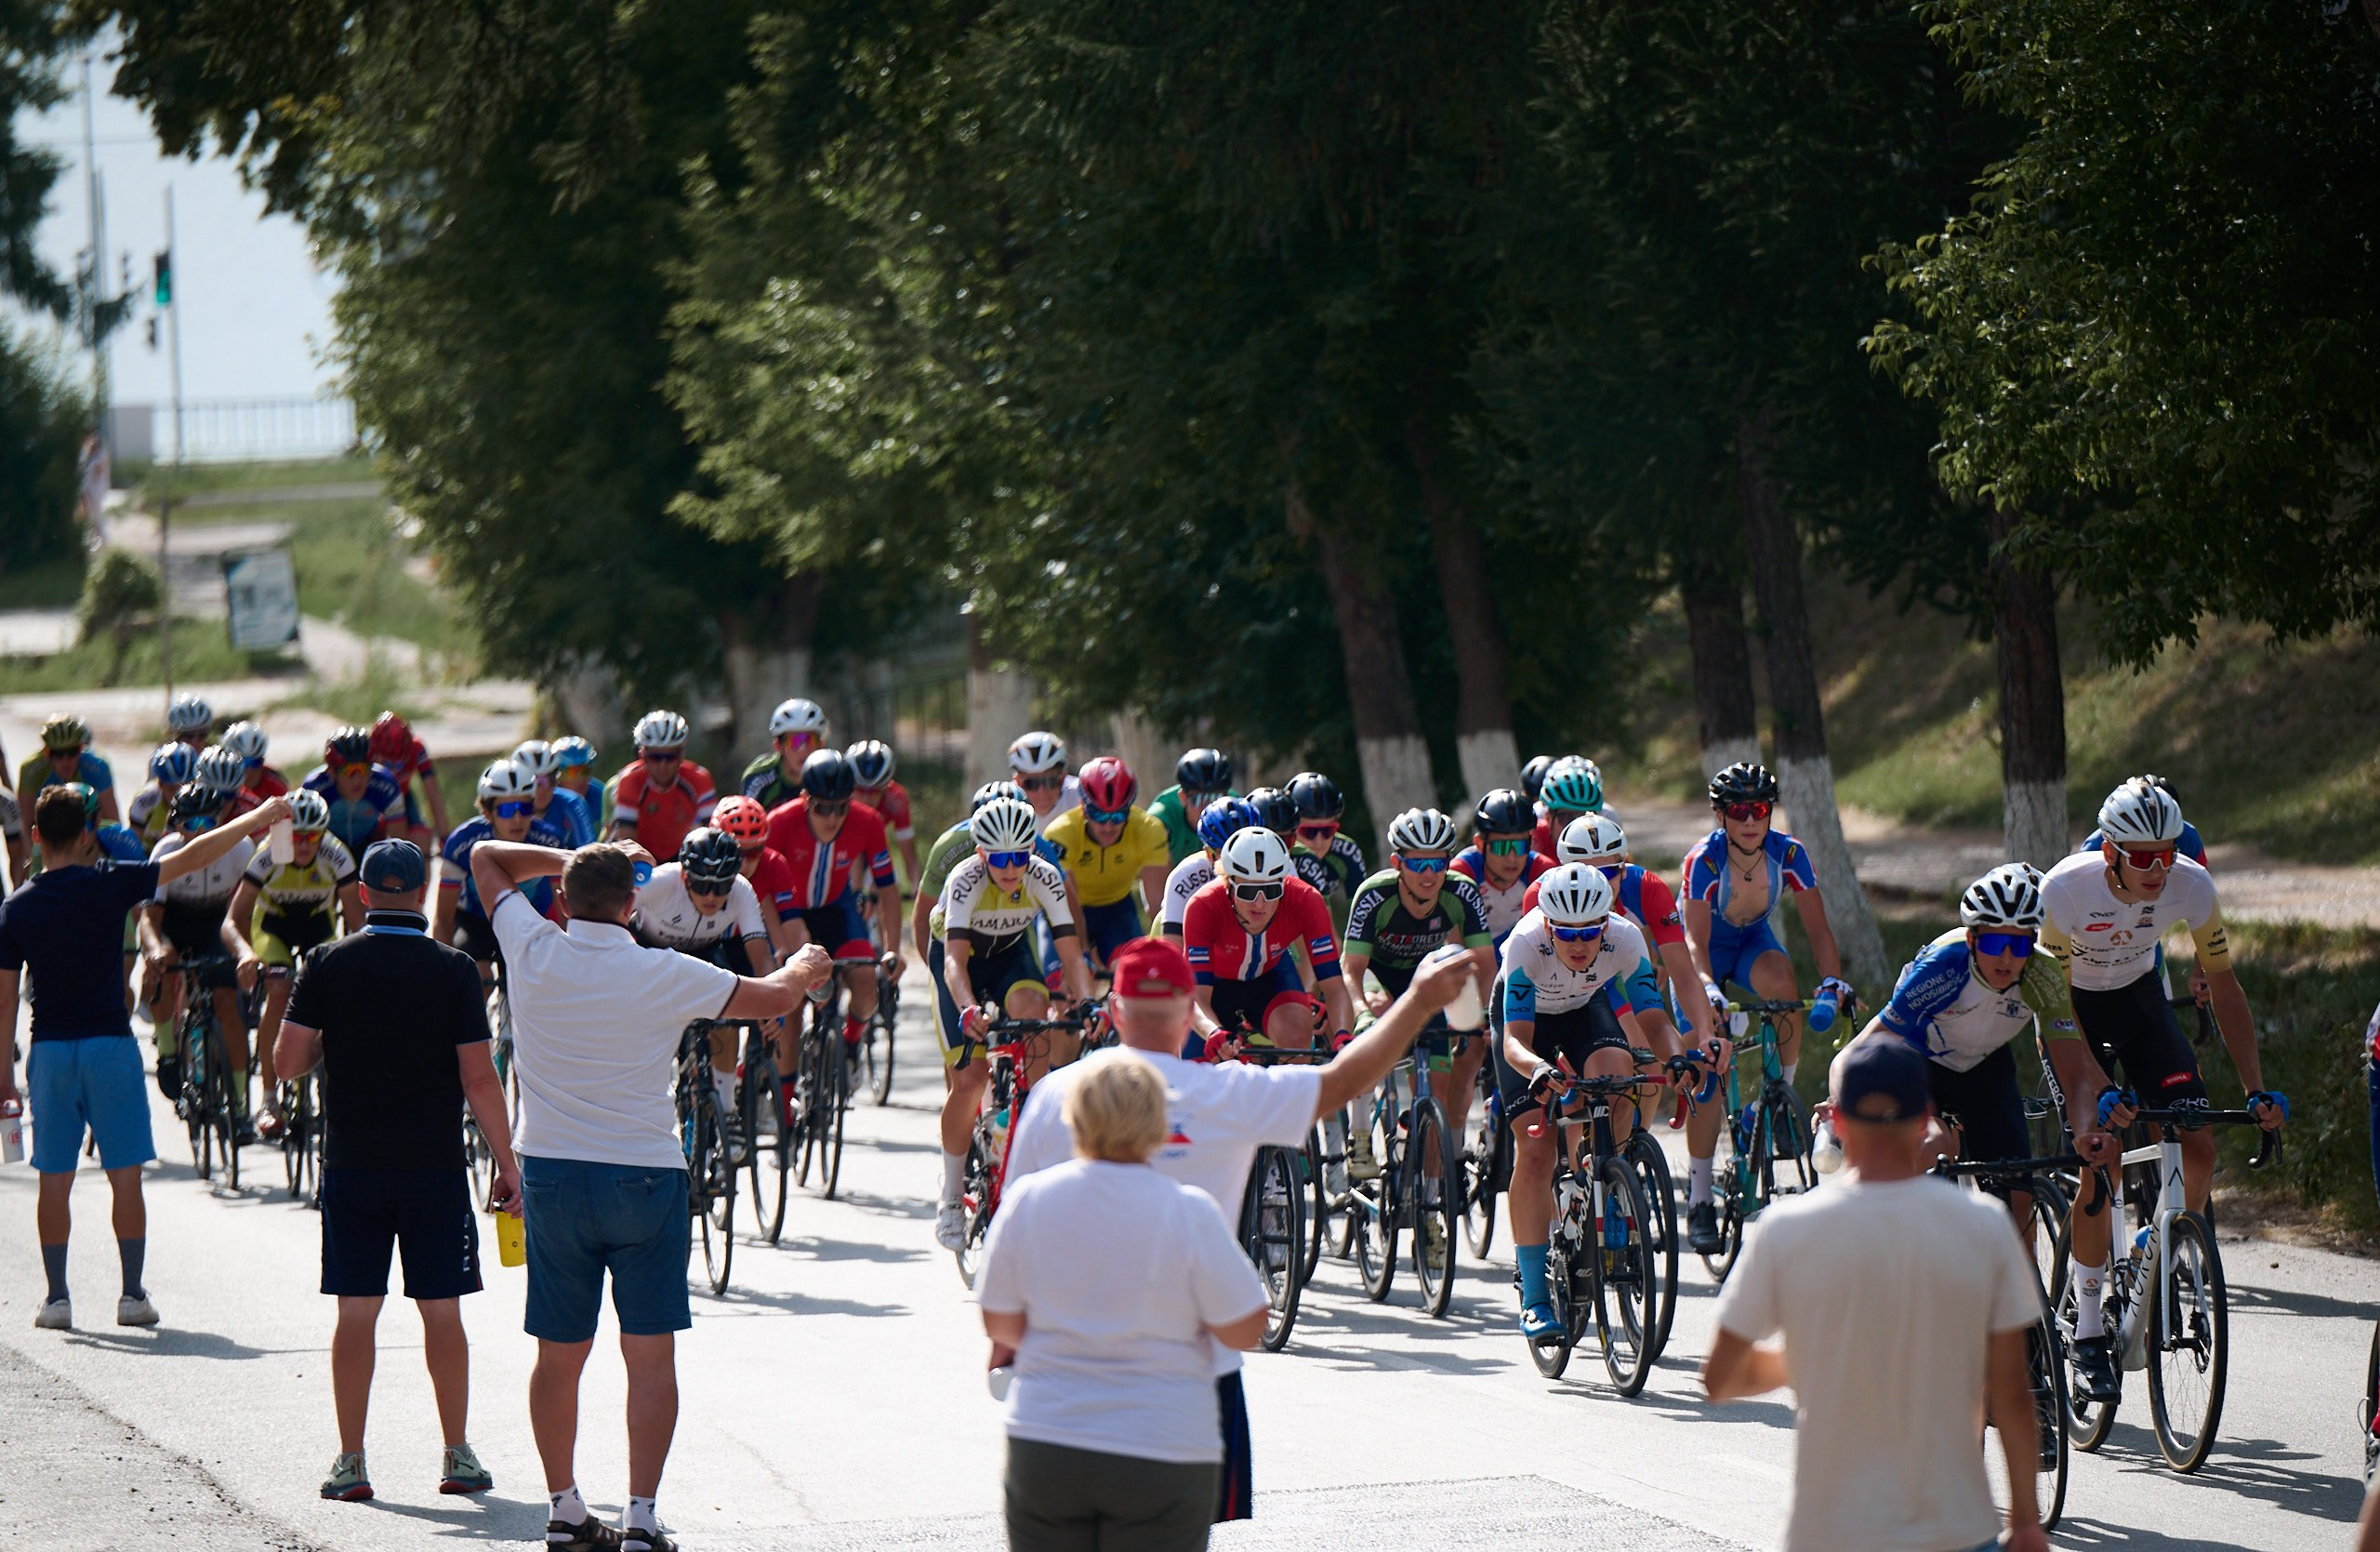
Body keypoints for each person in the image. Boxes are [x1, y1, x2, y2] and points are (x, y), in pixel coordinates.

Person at [1004, 935, 1474, 1524]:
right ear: (1186, 1015)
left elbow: (1012, 1245)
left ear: (1115, 1011)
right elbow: (1345, 1079)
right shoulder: (1228, 1094)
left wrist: (1009, 1351)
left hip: (1055, 1402)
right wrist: (1421, 1000)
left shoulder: (1052, 1096)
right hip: (1186, 1400)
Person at [469, 837, 835, 1552]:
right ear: (634, 906)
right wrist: (806, 963)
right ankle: (640, 1517)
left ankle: (564, 1505)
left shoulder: (530, 945)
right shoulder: (665, 969)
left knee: (558, 1354)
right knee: (650, 1353)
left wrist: (569, 854)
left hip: (552, 1175)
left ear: (565, 902)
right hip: (643, 1174)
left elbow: (485, 857)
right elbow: (778, 996)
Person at [1703, 1038, 2047, 1552]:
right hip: (1956, 1529)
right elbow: (2013, 1395)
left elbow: (1720, 1378)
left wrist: (1804, 1360)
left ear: (1836, 1123)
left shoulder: (1787, 1228)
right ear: (1926, 1118)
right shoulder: (1984, 1226)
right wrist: (2024, 1520)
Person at [272, 839, 518, 1504]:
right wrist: (507, 1162)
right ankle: (457, 1454)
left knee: (357, 1310)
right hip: (433, 1165)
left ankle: (351, 1460)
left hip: (353, 1162)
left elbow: (286, 1063)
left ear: (362, 895)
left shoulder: (325, 962)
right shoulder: (454, 968)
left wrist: (331, 1038)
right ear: (418, 893)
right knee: (442, 1310)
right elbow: (479, 1075)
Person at [2, 788, 293, 1331]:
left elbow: (2, 1005)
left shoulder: (15, 909)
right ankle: (132, 1295)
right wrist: (258, 816)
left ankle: (57, 1299)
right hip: (110, 1048)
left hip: (50, 1053)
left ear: (37, 837)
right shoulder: (112, 881)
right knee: (125, 1176)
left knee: (54, 1178)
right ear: (88, 833)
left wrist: (4, 1079)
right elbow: (194, 855)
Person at [2038, 776, 2284, 1404]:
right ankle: (2090, 1328)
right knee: (2104, 1153)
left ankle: (2159, 1241)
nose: (2157, 867)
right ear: (2111, 850)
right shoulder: (2066, 887)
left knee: (2199, 1148)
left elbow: (2226, 987)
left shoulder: (2193, 885)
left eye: (2167, 852)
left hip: (2142, 1004)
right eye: (2142, 855)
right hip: (2073, 1014)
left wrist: (2255, 1088)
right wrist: (2094, 1083)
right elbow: (2052, 1004)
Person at [977, 1054, 1269, 1552]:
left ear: (1076, 1117)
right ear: (1158, 1122)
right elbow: (1245, 1330)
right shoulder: (1189, 1209)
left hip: (1049, 1437)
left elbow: (998, 1320)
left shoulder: (1029, 1199)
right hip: (1162, 1442)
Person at [1678, 761, 1851, 1254]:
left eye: (1759, 810)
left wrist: (1832, 981)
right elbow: (1693, 941)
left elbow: (1818, 931)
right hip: (1704, 951)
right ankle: (1699, 1197)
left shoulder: (1789, 853)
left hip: (1752, 940)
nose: (1751, 821)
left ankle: (1773, 1104)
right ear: (1721, 816)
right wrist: (1707, 988)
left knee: (1784, 989)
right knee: (1707, 1068)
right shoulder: (1704, 861)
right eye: (1739, 811)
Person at [1844, 864, 2069, 1223]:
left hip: (1985, 1062)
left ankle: (2024, 1278)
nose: (2008, 957)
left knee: (2017, 1190)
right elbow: (1872, 1040)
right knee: (1934, 1145)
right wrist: (1841, 1094)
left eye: (2021, 944)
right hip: (1923, 1057)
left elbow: (2071, 1051)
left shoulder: (2042, 970)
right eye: (1995, 942)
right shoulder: (1944, 964)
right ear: (1972, 940)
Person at [1497, 864, 1658, 1338]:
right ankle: (1534, 1296)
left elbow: (1655, 1019)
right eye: (1567, 933)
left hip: (1584, 1007)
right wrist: (1539, 1069)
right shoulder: (1525, 945)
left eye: (1590, 931)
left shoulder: (1626, 939)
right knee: (1535, 1150)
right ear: (1547, 923)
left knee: (1619, 1077)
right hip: (1526, 1029)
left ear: (1606, 922)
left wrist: (1680, 1060)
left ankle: (1602, 1175)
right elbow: (1514, 1043)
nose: (1580, 943)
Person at [933, 796, 1091, 1250]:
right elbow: (953, 964)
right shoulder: (964, 879)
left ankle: (1022, 1132)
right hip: (957, 961)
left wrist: (1087, 1004)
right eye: (999, 858)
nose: (1009, 866)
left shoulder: (1044, 875)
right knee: (968, 1079)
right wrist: (966, 1008)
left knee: (1033, 1019)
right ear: (981, 853)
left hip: (1007, 955)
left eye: (1018, 856)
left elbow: (1069, 951)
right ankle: (949, 1199)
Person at [1340, 807, 1495, 1207]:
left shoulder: (1460, 891)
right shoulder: (1375, 894)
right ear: (1398, 863)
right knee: (1373, 1018)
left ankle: (1428, 1200)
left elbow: (1484, 964)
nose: (1429, 874)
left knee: (1437, 1095)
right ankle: (1359, 1137)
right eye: (1417, 864)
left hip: (1429, 980)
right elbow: (1352, 968)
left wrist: (1486, 1018)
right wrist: (1360, 1011)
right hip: (1381, 979)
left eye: (1438, 863)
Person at [228, 789, 362, 1141]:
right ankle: (270, 1099)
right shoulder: (269, 853)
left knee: (332, 999)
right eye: (297, 836)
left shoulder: (336, 855)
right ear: (285, 832)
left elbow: (356, 922)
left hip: (318, 925)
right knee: (280, 989)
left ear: (323, 834)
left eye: (312, 837)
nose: (303, 844)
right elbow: (234, 918)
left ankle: (332, 1084)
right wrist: (246, 954)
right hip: (274, 926)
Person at [761, 749, 903, 1070]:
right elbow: (762, 890)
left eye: (841, 808)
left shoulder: (868, 822)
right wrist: (780, 944)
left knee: (868, 985)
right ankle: (784, 1106)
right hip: (790, 912)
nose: (832, 819)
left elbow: (888, 888)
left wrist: (893, 949)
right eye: (823, 808)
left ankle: (850, 1046)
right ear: (805, 799)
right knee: (792, 1001)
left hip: (837, 910)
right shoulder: (781, 822)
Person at [139, 783, 260, 1142]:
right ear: (177, 825)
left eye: (209, 820)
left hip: (216, 928)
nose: (202, 831)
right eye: (192, 823)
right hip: (173, 927)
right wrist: (154, 951)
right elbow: (150, 918)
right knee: (164, 969)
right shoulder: (166, 852)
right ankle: (167, 1050)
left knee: (228, 1007)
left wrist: (248, 959)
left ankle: (239, 1109)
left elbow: (248, 914)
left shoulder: (240, 849)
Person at [1181, 827, 1354, 1053]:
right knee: (1203, 1068)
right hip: (1214, 986)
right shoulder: (1203, 906)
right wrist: (1213, 1032)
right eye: (1248, 892)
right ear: (1227, 883)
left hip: (1270, 976)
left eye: (1271, 891)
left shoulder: (1306, 900)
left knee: (1297, 1038)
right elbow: (1196, 996)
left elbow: (1334, 987)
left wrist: (1343, 1036)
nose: (1260, 903)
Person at [432, 761, 569, 979]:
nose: (517, 819)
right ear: (487, 812)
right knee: (479, 977)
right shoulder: (462, 843)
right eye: (506, 810)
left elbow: (560, 904)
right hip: (475, 921)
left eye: (525, 809)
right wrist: (441, 970)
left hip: (526, 919)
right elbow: (444, 917)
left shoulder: (549, 839)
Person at [1041, 756, 1171, 974]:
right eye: (1098, 815)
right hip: (1066, 909)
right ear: (1082, 806)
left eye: (1119, 815)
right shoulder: (1059, 834)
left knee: (1133, 973)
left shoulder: (1149, 830)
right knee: (1066, 986)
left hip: (1116, 910)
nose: (1108, 826)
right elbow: (1067, 902)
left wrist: (1163, 954)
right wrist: (1081, 952)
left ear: (1130, 809)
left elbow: (1158, 906)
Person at [1449, 787, 1555, 952]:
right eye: (1502, 847)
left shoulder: (1544, 871)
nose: (1512, 858)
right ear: (1480, 844)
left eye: (1520, 846)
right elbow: (1453, 943)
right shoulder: (1461, 872)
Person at [608, 709, 717, 862]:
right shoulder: (630, 780)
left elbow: (712, 835)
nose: (662, 766)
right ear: (642, 755)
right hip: (641, 855)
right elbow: (627, 840)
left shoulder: (699, 779)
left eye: (670, 757)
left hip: (685, 856)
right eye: (655, 757)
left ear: (681, 756)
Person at [1158, 798, 1257, 939]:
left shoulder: (1282, 864)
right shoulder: (1184, 875)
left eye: (1245, 850)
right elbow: (1174, 947)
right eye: (1226, 855)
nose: (1238, 861)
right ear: (1209, 854)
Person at [303, 727, 407, 859]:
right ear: (331, 772)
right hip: (329, 848)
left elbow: (400, 844)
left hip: (369, 844)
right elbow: (305, 844)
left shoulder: (385, 784)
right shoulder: (315, 787)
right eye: (348, 771)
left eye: (363, 769)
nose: (357, 779)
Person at [1284, 772, 1367, 933]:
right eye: (1309, 832)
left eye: (1328, 831)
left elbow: (1363, 917)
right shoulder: (1281, 854)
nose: (1320, 840)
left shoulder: (1347, 852)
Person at [19, 714, 119, 826]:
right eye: (58, 754)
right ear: (47, 752)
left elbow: (112, 822)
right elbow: (24, 825)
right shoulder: (31, 770)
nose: (66, 761)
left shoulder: (97, 767)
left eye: (72, 752)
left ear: (81, 749)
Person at [370, 711, 451, 847]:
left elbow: (432, 792)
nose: (395, 770)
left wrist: (444, 836)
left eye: (400, 764)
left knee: (421, 838)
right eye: (389, 765)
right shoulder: (369, 750)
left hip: (403, 797)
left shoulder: (417, 748)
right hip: (374, 798)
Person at [845, 739, 919, 888]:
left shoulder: (896, 800)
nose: (866, 798)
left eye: (874, 791)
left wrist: (917, 886)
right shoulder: (840, 797)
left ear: (885, 788)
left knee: (885, 888)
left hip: (873, 846)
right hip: (842, 849)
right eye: (860, 790)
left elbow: (908, 852)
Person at [1147, 748, 1236, 868]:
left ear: (1227, 796)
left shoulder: (1237, 809)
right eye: (1199, 799)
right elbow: (1157, 881)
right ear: (1183, 798)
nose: (1208, 806)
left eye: (1216, 798)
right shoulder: (1161, 820)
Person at [738, 697, 828, 811]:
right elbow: (746, 819)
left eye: (810, 740)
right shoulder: (760, 778)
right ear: (778, 746)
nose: (803, 750)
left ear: (820, 744)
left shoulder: (831, 775)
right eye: (794, 741)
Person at [513, 740, 598, 848]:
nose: (543, 789)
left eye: (551, 780)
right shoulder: (500, 810)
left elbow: (590, 855)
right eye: (534, 783)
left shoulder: (573, 803)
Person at [1528, 757, 1602, 861]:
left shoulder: (1608, 834)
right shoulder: (1534, 838)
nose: (1577, 827)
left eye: (1586, 818)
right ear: (1548, 818)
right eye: (1567, 818)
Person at [128, 742, 196, 852]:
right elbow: (132, 847)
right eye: (172, 789)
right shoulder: (145, 800)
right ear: (160, 784)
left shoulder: (203, 800)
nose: (179, 795)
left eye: (184, 788)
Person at [549, 736, 604, 836]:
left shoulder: (598, 793)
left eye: (585, 771)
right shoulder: (546, 798)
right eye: (572, 772)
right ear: (556, 775)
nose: (580, 779)